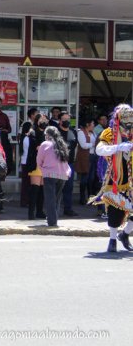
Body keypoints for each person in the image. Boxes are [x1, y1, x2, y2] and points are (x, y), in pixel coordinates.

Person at [92, 104, 133, 252]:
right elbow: (99, 149)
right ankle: (112, 240)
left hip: (131, 179)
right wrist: (119, 147)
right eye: (125, 116)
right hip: (115, 178)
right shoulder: (109, 133)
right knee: (115, 210)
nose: (128, 120)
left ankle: (125, 234)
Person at [37, 126, 71, 227]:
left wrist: (42, 169)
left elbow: (39, 160)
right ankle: (54, 218)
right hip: (63, 175)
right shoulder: (62, 144)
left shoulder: (45, 144)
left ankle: (52, 222)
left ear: (47, 135)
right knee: (57, 198)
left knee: (50, 199)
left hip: (49, 174)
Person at [26, 114, 49, 220]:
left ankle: (40, 211)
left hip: (45, 164)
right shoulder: (33, 132)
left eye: (45, 119)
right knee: (34, 190)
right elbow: (37, 147)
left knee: (42, 191)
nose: (44, 121)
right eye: (41, 119)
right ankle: (31, 213)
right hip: (36, 164)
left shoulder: (47, 133)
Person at [58, 112, 78, 216]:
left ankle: (68, 208)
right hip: (57, 163)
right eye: (64, 119)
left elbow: (74, 146)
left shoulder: (73, 132)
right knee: (57, 187)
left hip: (69, 163)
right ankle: (54, 209)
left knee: (69, 187)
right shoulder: (56, 132)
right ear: (60, 121)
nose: (67, 121)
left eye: (68, 119)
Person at [75, 118, 96, 205]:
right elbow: (83, 145)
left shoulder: (93, 133)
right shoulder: (81, 132)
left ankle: (90, 198)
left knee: (91, 179)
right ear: (87, 124)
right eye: (92, 123)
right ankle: (82, 198)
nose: (93, 125)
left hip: (92, 156)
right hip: (84, 157)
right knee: (85, 178)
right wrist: (93, 145)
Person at [0, 97, 13, 174]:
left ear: (1, 105)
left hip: (4, 138)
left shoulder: (4, 116)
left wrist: (4, 130)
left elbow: (9, 129)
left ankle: (5, 171)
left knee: (6, 155)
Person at [19, 121, 32, 207]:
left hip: (24, 161)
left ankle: (25, 201)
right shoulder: (27, 138)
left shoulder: (22, 137)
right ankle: (25, 201)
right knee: (27, 183)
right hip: (27, 162)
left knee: (25, 183)